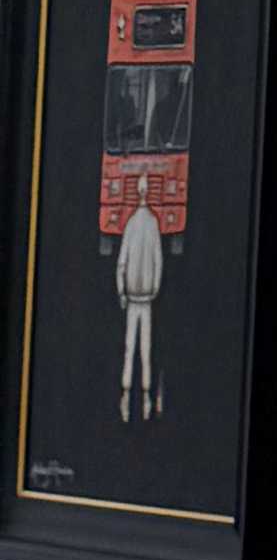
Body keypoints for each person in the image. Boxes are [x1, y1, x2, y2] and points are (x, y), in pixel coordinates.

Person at [112, 173, 161, 420]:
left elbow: (121, 262)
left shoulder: (131, 224)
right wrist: (155, 287)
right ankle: (146, 400)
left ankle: (125, 399)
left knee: (129, 348)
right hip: (146, 299)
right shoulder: (153, 223)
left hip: (132, 297)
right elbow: (158, 260)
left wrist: (121, 290)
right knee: (146, 350)